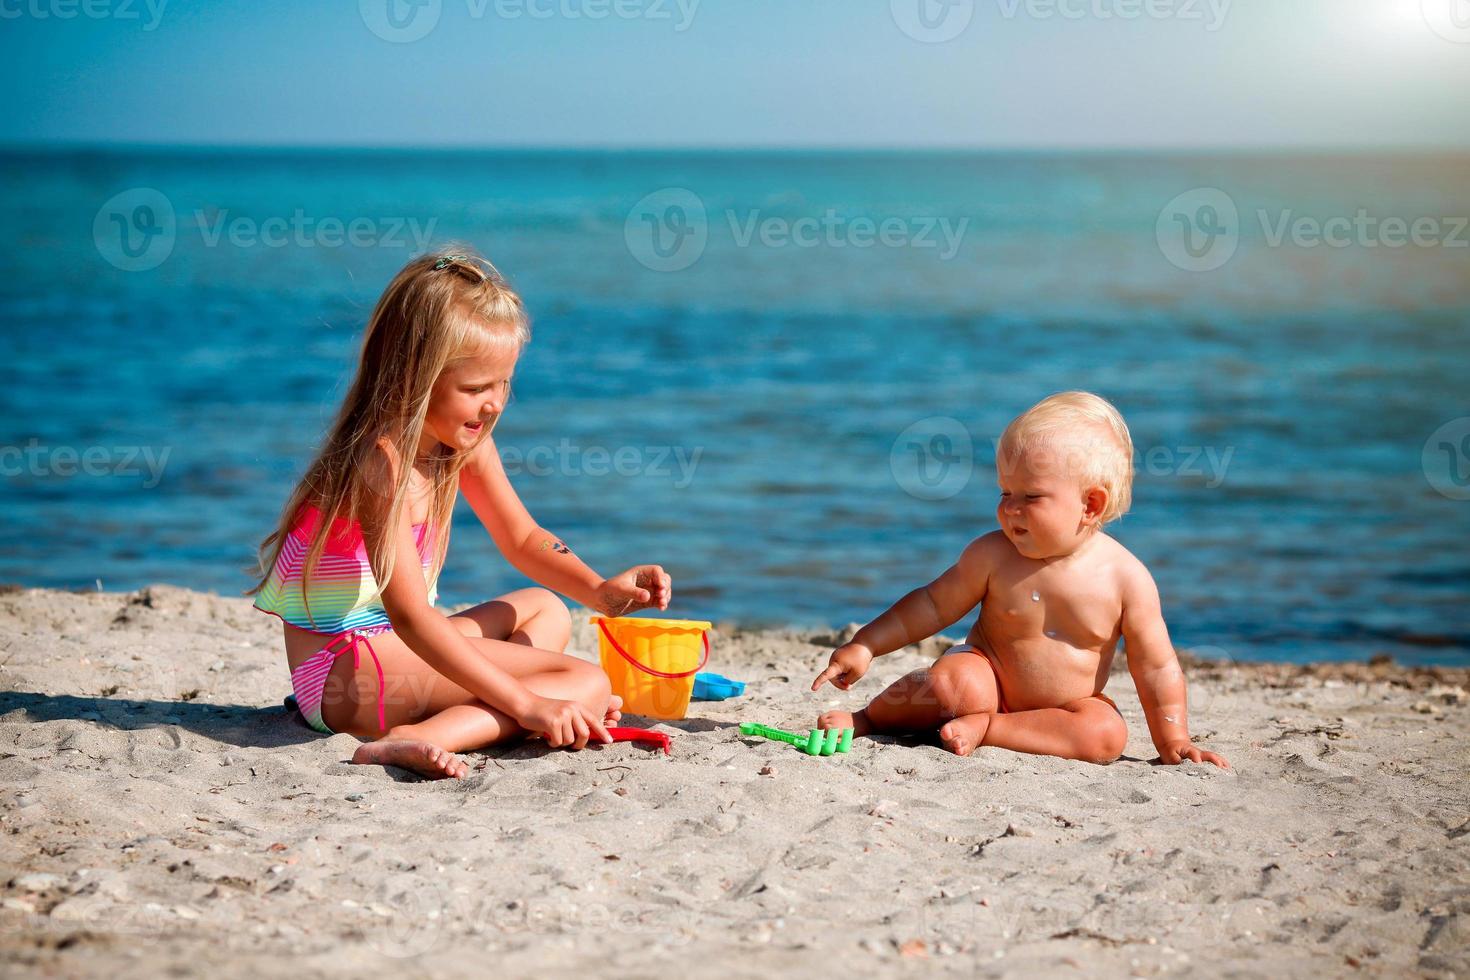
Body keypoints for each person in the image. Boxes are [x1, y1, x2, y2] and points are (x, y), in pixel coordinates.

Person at [250, 249, 671, 780]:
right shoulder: (383, 463)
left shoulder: (462, 443)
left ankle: (506, 706)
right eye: (475, 389)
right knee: (587, 683)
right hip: (340, 675)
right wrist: (528, 704)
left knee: (548, 609)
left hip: (390, 653)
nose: (494, 404)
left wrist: (601, 593)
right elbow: (409, 615)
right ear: (413, 379)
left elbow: (522, 537)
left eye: (503, 384)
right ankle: (415, 736)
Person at [812, 391, 1229, 768]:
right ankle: (868, 718)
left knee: (1106, 734)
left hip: (1060, 709)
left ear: (1091, 504)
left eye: (1030, 497)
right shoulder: (993, 554)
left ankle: (989, 729)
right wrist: (866, 645)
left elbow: (1155, 667)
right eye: (1004, 493)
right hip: (986, 676)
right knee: (951, 685)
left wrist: (1173, 738)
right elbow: (931, 605)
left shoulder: (1127, 579)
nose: (1010, 509)